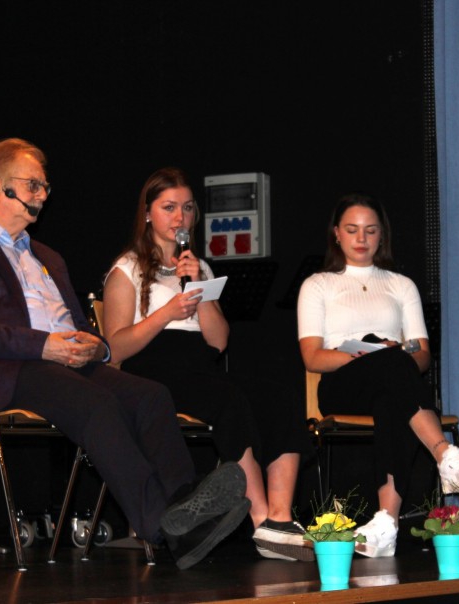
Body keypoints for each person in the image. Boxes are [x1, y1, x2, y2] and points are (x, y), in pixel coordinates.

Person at [0, 138, 249, 570]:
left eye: (45, 187)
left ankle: (186, 512)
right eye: (33, 185)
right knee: (95, 402)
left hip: (67, 363)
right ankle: (163, 526)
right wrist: (42, 345)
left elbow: (79, 325)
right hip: (8, 370)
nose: (43, 195)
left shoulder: (47, 257)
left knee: (150, 396)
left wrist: (97, 345)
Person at [100, 167, 315, 562]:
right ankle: (261, 522)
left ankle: (282, 517)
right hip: (152, 369)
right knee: (227, 399)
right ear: (147, 213)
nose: (179, 217)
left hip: (200, 364)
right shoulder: (126, 269)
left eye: (186, 208)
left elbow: (219, 341)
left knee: (277, 396)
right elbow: (114, 348)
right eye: (168, 208)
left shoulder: (199, 267)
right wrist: (166, 313)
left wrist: (199, 287)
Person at [296, 192, 459, 558]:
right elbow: (312, 357)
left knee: (392, 398)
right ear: (336, 233)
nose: (361, 238)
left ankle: (386, 523)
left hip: (394, 381)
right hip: (343, 385)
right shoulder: (318, 284)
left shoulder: (401, 285)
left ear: (381, 235)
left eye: (370, 230)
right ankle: (444, 453)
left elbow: (422, 357)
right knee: (388, 361)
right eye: (352, 230)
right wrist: (365, 352)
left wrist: (394, 353)